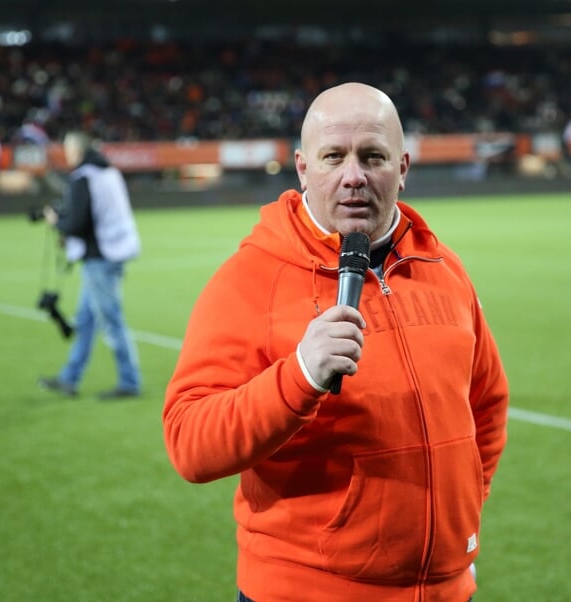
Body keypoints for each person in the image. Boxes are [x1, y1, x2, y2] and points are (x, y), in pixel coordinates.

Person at [163, 82, 510, 601]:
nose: (354, 177)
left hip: (443, 589)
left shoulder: (443, 269)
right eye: (334, 157)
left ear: (403, 168)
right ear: (304, 168)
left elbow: (485, 406)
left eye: (373, 157)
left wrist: (455, 536)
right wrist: (299, 375)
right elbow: (190, 443)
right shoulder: (250, 279)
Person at [38, 131, 142, 399]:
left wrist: (55, 222)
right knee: (85, 320)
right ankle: (69, 378)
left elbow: (77, 223)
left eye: (68, 148)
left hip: (100, 257)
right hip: (114, 251)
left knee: (111, 321)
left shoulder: (83, 177)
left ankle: (130, 381)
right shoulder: (109, 172)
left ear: (76, 150)